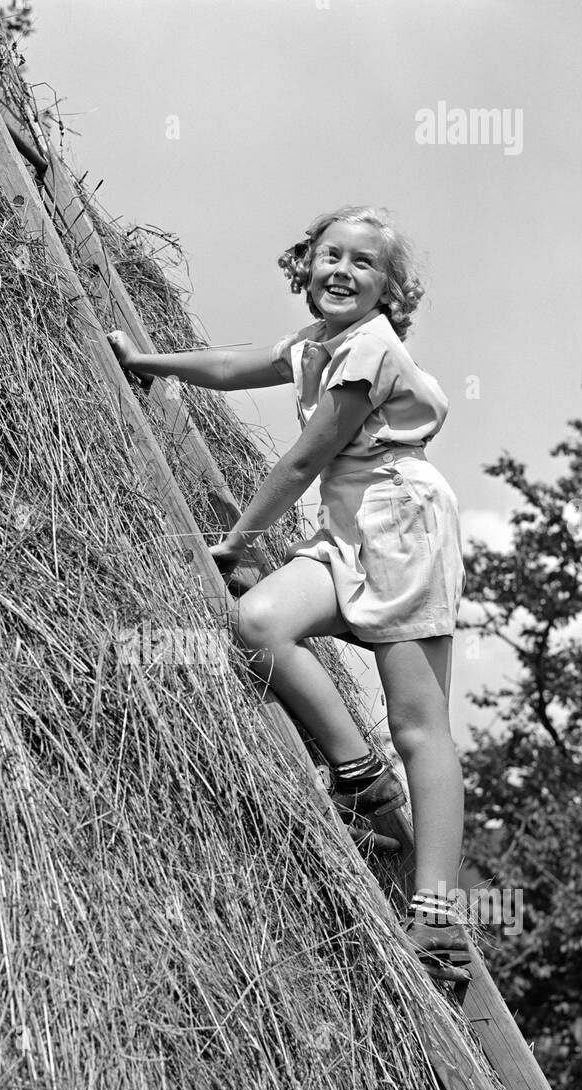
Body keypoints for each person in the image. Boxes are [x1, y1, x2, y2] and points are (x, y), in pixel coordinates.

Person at [107, 206, 469, 979]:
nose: (342, 270)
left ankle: (438, 917)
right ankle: (357, 774)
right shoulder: (315, 344)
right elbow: (244, 364)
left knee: (418, 724)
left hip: (402, 528)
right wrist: (152, 363)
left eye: (363, 263)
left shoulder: (369, 348)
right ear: (304, 266)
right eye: (329, 256)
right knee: (258, 620)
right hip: (344, 529)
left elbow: (305, 457)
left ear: (387, 289)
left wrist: (237, 539)